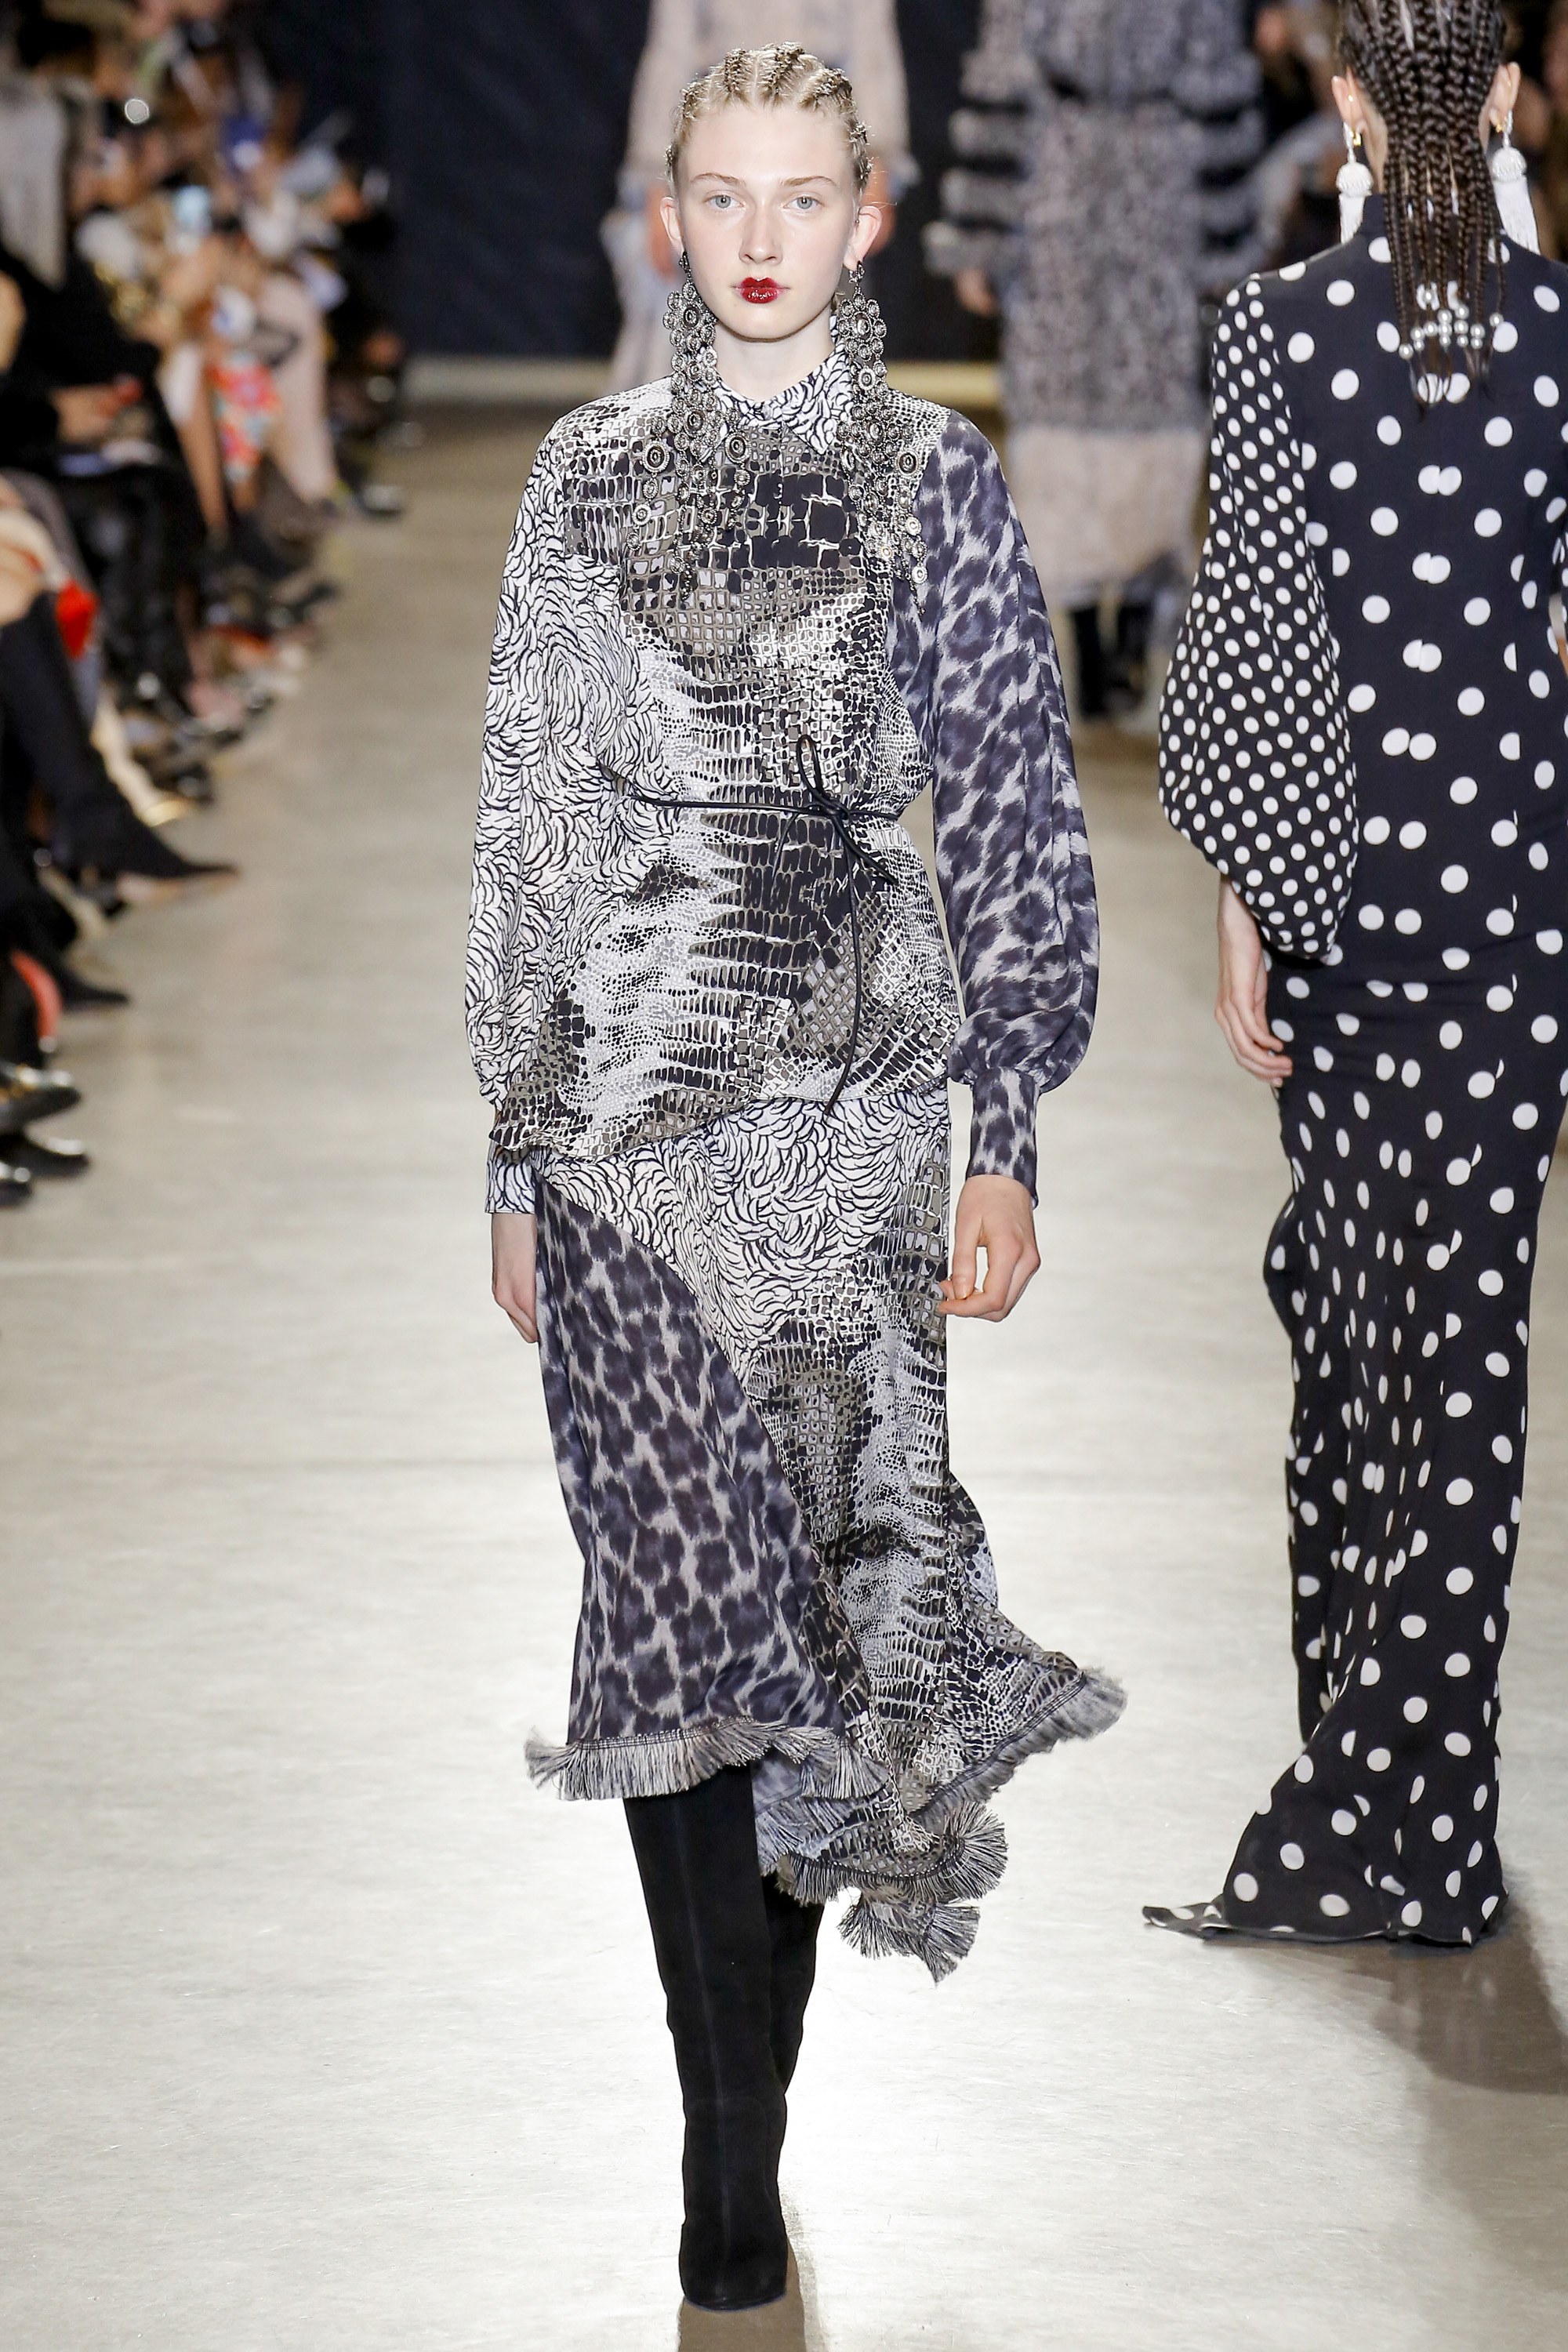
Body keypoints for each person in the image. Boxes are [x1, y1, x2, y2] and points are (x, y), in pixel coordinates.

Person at [470, 42, 1121, 2314]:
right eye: (720, 195)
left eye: (800, 196)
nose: (759, 237)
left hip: (851, 1142)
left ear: (868, 219)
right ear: (670, 217)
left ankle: (746, 2102)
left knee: (817, 1639)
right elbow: (532, 815)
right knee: (671, 1621)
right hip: (623, 1146)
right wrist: (509, 1148)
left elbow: (1016, 815)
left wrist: (1006, 1133)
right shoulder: (580, 477)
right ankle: (721, 2151)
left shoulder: (938, 485)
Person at [1150, 0, 1568, 1947]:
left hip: (1343, 888)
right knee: (1466, 1345)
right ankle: (1423, 1818)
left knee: (1359, 1323)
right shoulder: (1559, 340)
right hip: (1512, 890)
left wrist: (1245, 900)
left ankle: (1367, 1773)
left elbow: (1247, 647)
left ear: (1339, 104)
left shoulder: (1277, 332)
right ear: (1509, 97)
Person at [927, 0, 1265, 721]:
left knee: (1158, 417)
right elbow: (1003, 80)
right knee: (1060, 419)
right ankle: (1083, 632)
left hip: (1157, 197)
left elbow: (1218, 81)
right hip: (1060, 192)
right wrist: (981, 235)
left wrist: (1227, 243)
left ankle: (1137, 618)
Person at [603, 0, 912, 393]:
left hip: (817, 141)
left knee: (823, 298)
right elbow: (670, 53)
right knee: (679, 292)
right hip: (718, 141)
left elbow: (871, 50)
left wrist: (878, 163)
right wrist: (655, 180)